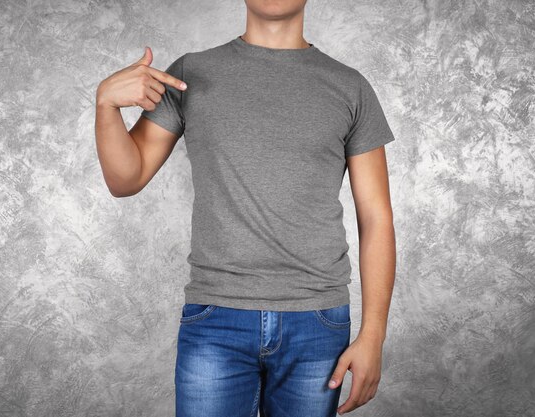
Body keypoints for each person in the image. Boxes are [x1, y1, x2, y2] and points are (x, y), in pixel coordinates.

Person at [95, 1, 396, 415]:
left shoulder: (350, 86)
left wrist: (373, 334)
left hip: (317, 322)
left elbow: (376, 219)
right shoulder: (190, 74)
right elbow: (125, 179)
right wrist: (106, 107)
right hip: (215, 318)